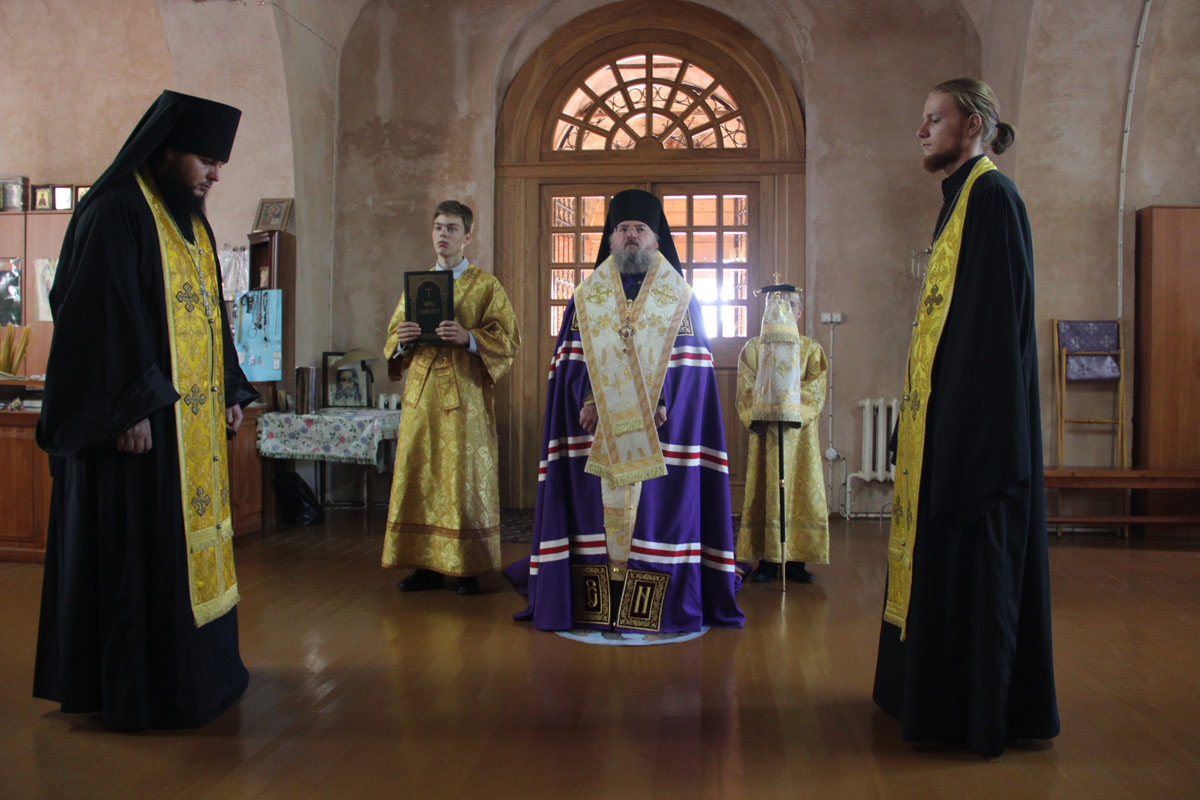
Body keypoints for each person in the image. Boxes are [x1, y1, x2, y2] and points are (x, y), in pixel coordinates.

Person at [33, 91, 255, 730]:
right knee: (143, 557)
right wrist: (127, 406)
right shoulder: (116, 211)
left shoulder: (190, 222)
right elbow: (98, 318)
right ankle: (148, 688)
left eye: (220, 164)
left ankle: (203, 674)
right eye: (206, 161)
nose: (215, 175)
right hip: (140, 432)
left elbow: (212, 317)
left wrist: (227, 388)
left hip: (190, 429)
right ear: (168, 151)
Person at [872, 78, 1059, 757]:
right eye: (922, 119)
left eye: (934, 118)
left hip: (976, 435)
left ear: (973, 124)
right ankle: (929, 699)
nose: (921, 130)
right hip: (944, 424)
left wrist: (964, 436)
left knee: (973, 566)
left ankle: (970, 715)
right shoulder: (960, 200)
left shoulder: (993, 198)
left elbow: (993, 333)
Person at [505, 189, 743, 633]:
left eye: (640, 229)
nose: (631, 236)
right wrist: (589, 399)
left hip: (662, 432)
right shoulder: (586, 298)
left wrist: (660, 400)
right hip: (593, 431)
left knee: (656, 512)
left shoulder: (680, 298)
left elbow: (692, 371)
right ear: (610, 240)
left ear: (656, 240)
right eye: (622, 229)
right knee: (593, 512)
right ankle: (594, 602)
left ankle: (651, 604)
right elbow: (570, 362)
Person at [382, 200, 521, 595]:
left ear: (467, 236)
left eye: (452, 228)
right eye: (438, 227)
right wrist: (402, 342)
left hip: (464, 396)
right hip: (422, 396)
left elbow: (509, 339)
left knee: (462, 477)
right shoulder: (416, 285)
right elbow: (392, 339)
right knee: (420, 473)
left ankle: (467, 568)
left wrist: (470, 338)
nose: (443, 234)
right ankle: (425, 566)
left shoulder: (486, 285)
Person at [736, 285, 828, 584]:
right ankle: (766, 559)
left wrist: (791, 409)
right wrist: (760, 411)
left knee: (799, 491)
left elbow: (816, 388)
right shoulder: (753, 349)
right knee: (766, 489)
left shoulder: (811, 349)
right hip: (766, 435)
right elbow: (745, 387)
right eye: (776, 305)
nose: (783, 310)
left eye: (790, 305)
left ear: (799, 312)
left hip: (798, 437)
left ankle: (797, 560)